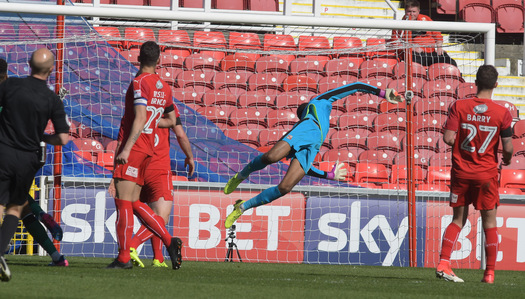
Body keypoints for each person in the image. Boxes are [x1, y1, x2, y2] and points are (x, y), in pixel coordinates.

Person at [224, 83, 404, 228]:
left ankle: (242, 207)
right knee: (271, 157)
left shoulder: (321, 105)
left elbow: (306, 170)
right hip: (305, 131)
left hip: (314, 143)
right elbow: (355, 86)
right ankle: (241, 175)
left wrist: (330, 175)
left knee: (285, 188)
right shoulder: (316, 104)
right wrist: (381, 93)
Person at [107, 41, 183, 270]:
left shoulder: (139, 82)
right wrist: (153, 121)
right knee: (133, 202)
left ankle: (124, 258)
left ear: (138, 58)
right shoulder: (164, 87)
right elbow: (171, 121)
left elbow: (139, 118)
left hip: (136, 147)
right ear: (159, 60)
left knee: (122, 203)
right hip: (150, 148)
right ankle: (169, 242)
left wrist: (127, 148)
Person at [436, 65, 513, 284]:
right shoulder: (503, 112)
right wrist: (506, 159)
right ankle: (489, 273)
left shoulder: (459, 106)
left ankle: (444, 263)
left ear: (475, 82)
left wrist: (463, 144)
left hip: (461, 172)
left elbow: (448, 138)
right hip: (486, 175)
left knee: (458, 220)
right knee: (489, 222)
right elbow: (507, 147)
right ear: (496, 85)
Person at [0, 48, 70, 281]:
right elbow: (62, 138)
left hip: (4, 151)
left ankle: (41, 218)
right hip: (31, 156)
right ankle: (57, 255)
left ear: (28, 64)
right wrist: (41, 136)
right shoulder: (49, 98)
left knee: (6, 202)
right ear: (50, 69)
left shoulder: (9, 88)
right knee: (18, 206)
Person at [110, 108, 195, 268]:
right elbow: (180, 134)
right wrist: (190, 156)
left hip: (136, 166)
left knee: (143, 211)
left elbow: (120, 144)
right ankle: (132, 246)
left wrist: (115, 174)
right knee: (160, 217)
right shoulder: (165, 106)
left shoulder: (132, 112)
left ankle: (158, 258)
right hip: (158, 169)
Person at [392, 0, 457, 67]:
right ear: (405, 11)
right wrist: (412, 48)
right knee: (414, 64)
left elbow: (437, 35)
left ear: (418, 11)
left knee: (450, 62)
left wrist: (439, 47)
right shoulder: (399, 26)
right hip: (415, 54)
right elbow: (396, 44)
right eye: (409, 11)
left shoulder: (426, 19)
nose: (411, 14)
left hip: (431, 52)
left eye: (414, 12)